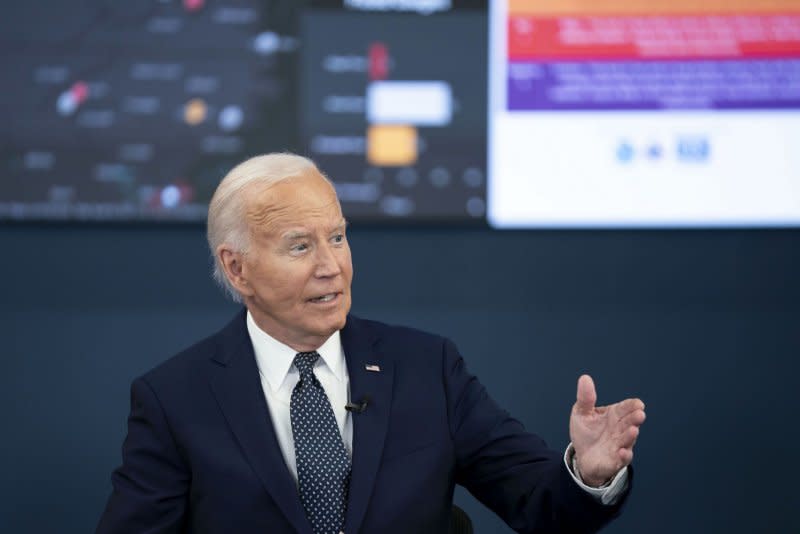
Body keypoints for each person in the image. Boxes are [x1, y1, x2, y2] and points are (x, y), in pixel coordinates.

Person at [97, 153, 646, 534]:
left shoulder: (427, 369)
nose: (330, 266)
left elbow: (539, 503)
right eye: (299, 246)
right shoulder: (175, 399)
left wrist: (589, 473)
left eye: (337, 237)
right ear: (237, 268)